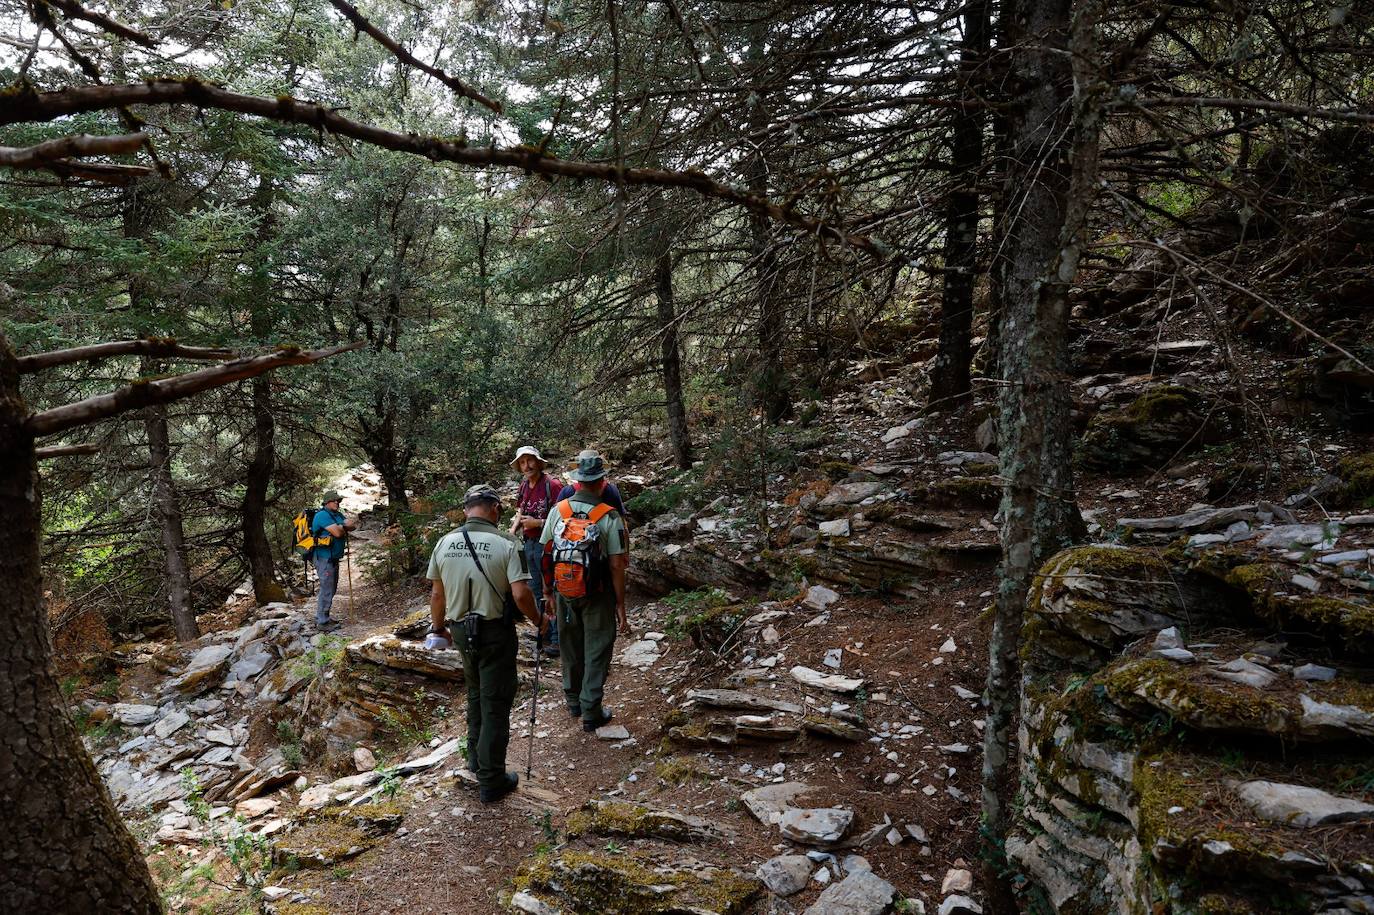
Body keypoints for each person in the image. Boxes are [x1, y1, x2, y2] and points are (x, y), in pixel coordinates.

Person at [427, 484, 547, 804]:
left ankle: (476, 760)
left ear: (467, 509)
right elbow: (521, 595)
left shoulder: (444, 542)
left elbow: (437, 595)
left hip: (461, 632)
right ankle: (492, 778)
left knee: (476, 692)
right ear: (495, 509)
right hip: (495, 631)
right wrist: (540, 621)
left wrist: (439, 628)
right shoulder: (508, 543)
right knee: (495, 699)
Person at [540, 450, 630, 733]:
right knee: (597, 648)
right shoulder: (609, 516)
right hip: (598, 592)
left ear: (577, 482)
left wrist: (548, 593)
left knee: (569, 646)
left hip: (564, 589)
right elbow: (617, 564)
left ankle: (573, 700)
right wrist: (620, 603)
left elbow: (545, 553)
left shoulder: (559, 510)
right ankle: (591, 710)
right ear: (603, 482)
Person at [509, 446, 563, 658]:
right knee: (535, 589)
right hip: (529, 542)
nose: (527, 466)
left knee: (550, 589)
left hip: (547, 544)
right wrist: (513, 530)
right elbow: (520, 509)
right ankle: (546, 632)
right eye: (522, 462)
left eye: (530, 461)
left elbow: (562, 516)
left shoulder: (553, 485)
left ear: (539, 462)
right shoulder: (524, 485)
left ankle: (558, 639)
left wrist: (538, 522)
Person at [310, 490, 357, 631]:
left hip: (333, 558)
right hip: (324, 558)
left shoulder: (337, 514)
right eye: (334, 500)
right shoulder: (322, 515)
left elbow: (353, 525)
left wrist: (342, 527)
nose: (337, 502)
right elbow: (338, 532)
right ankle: (322, 622)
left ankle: (324, 616)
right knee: (327, 589)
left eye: (338, 500)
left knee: (331, 588)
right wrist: (343, 527)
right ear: (326, 502)